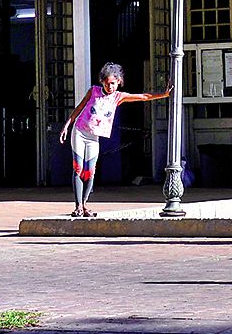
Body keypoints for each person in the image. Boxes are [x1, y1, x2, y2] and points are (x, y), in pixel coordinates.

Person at [60, 63, 167, 218]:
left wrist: (164, 94)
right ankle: (78, 207)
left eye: (113, 83)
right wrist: (66, 126)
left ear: (118, 82)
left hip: (93, 137)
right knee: (78, 168)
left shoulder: (118, 97)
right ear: (102, 81)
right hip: (80, 132)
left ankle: (84, 204)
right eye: (107, 83)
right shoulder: (93, 91)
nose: (110, 86)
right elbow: (79, 108)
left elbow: (143, 97)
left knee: (89, 172)